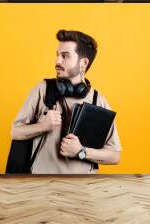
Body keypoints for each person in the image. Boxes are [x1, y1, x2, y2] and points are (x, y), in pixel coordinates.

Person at [11, 30, 121, 174]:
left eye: (65, 56)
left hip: (82, 190)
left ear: (84, 63)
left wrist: (81, 151)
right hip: (40, 186)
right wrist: (42, 126)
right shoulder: (42, 89)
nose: (57, 61)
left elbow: (115, 155)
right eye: (57, 55)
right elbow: (15, 132)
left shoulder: (98, 100)